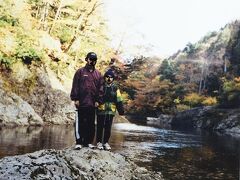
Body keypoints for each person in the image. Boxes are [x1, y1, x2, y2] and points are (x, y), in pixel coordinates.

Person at [70, 52, 104, 150]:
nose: (92, 61)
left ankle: (88, 142)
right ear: (87, 59)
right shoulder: (80, 72)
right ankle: (79, 142)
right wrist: (75, 99)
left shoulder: (98, 74)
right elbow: (75, 86)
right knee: (80, 122)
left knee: (91, 124)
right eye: (91, 59)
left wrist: (98, 101)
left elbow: (101, 89)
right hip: (81, 102)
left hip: (92, 104)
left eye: (94, 59)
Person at [96, 69, 124, 150]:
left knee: (108, 128)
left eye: (111, 77)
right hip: (101, 110)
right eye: (107, 77)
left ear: (113, 79)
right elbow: (96, 97)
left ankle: (106, 142)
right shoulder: (101, 87)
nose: (109, 78)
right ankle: (99, 142)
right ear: (105, 78)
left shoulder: (115, 88)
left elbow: (119, 99)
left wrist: (121, 110)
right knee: (100, 127)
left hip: (110, 111)